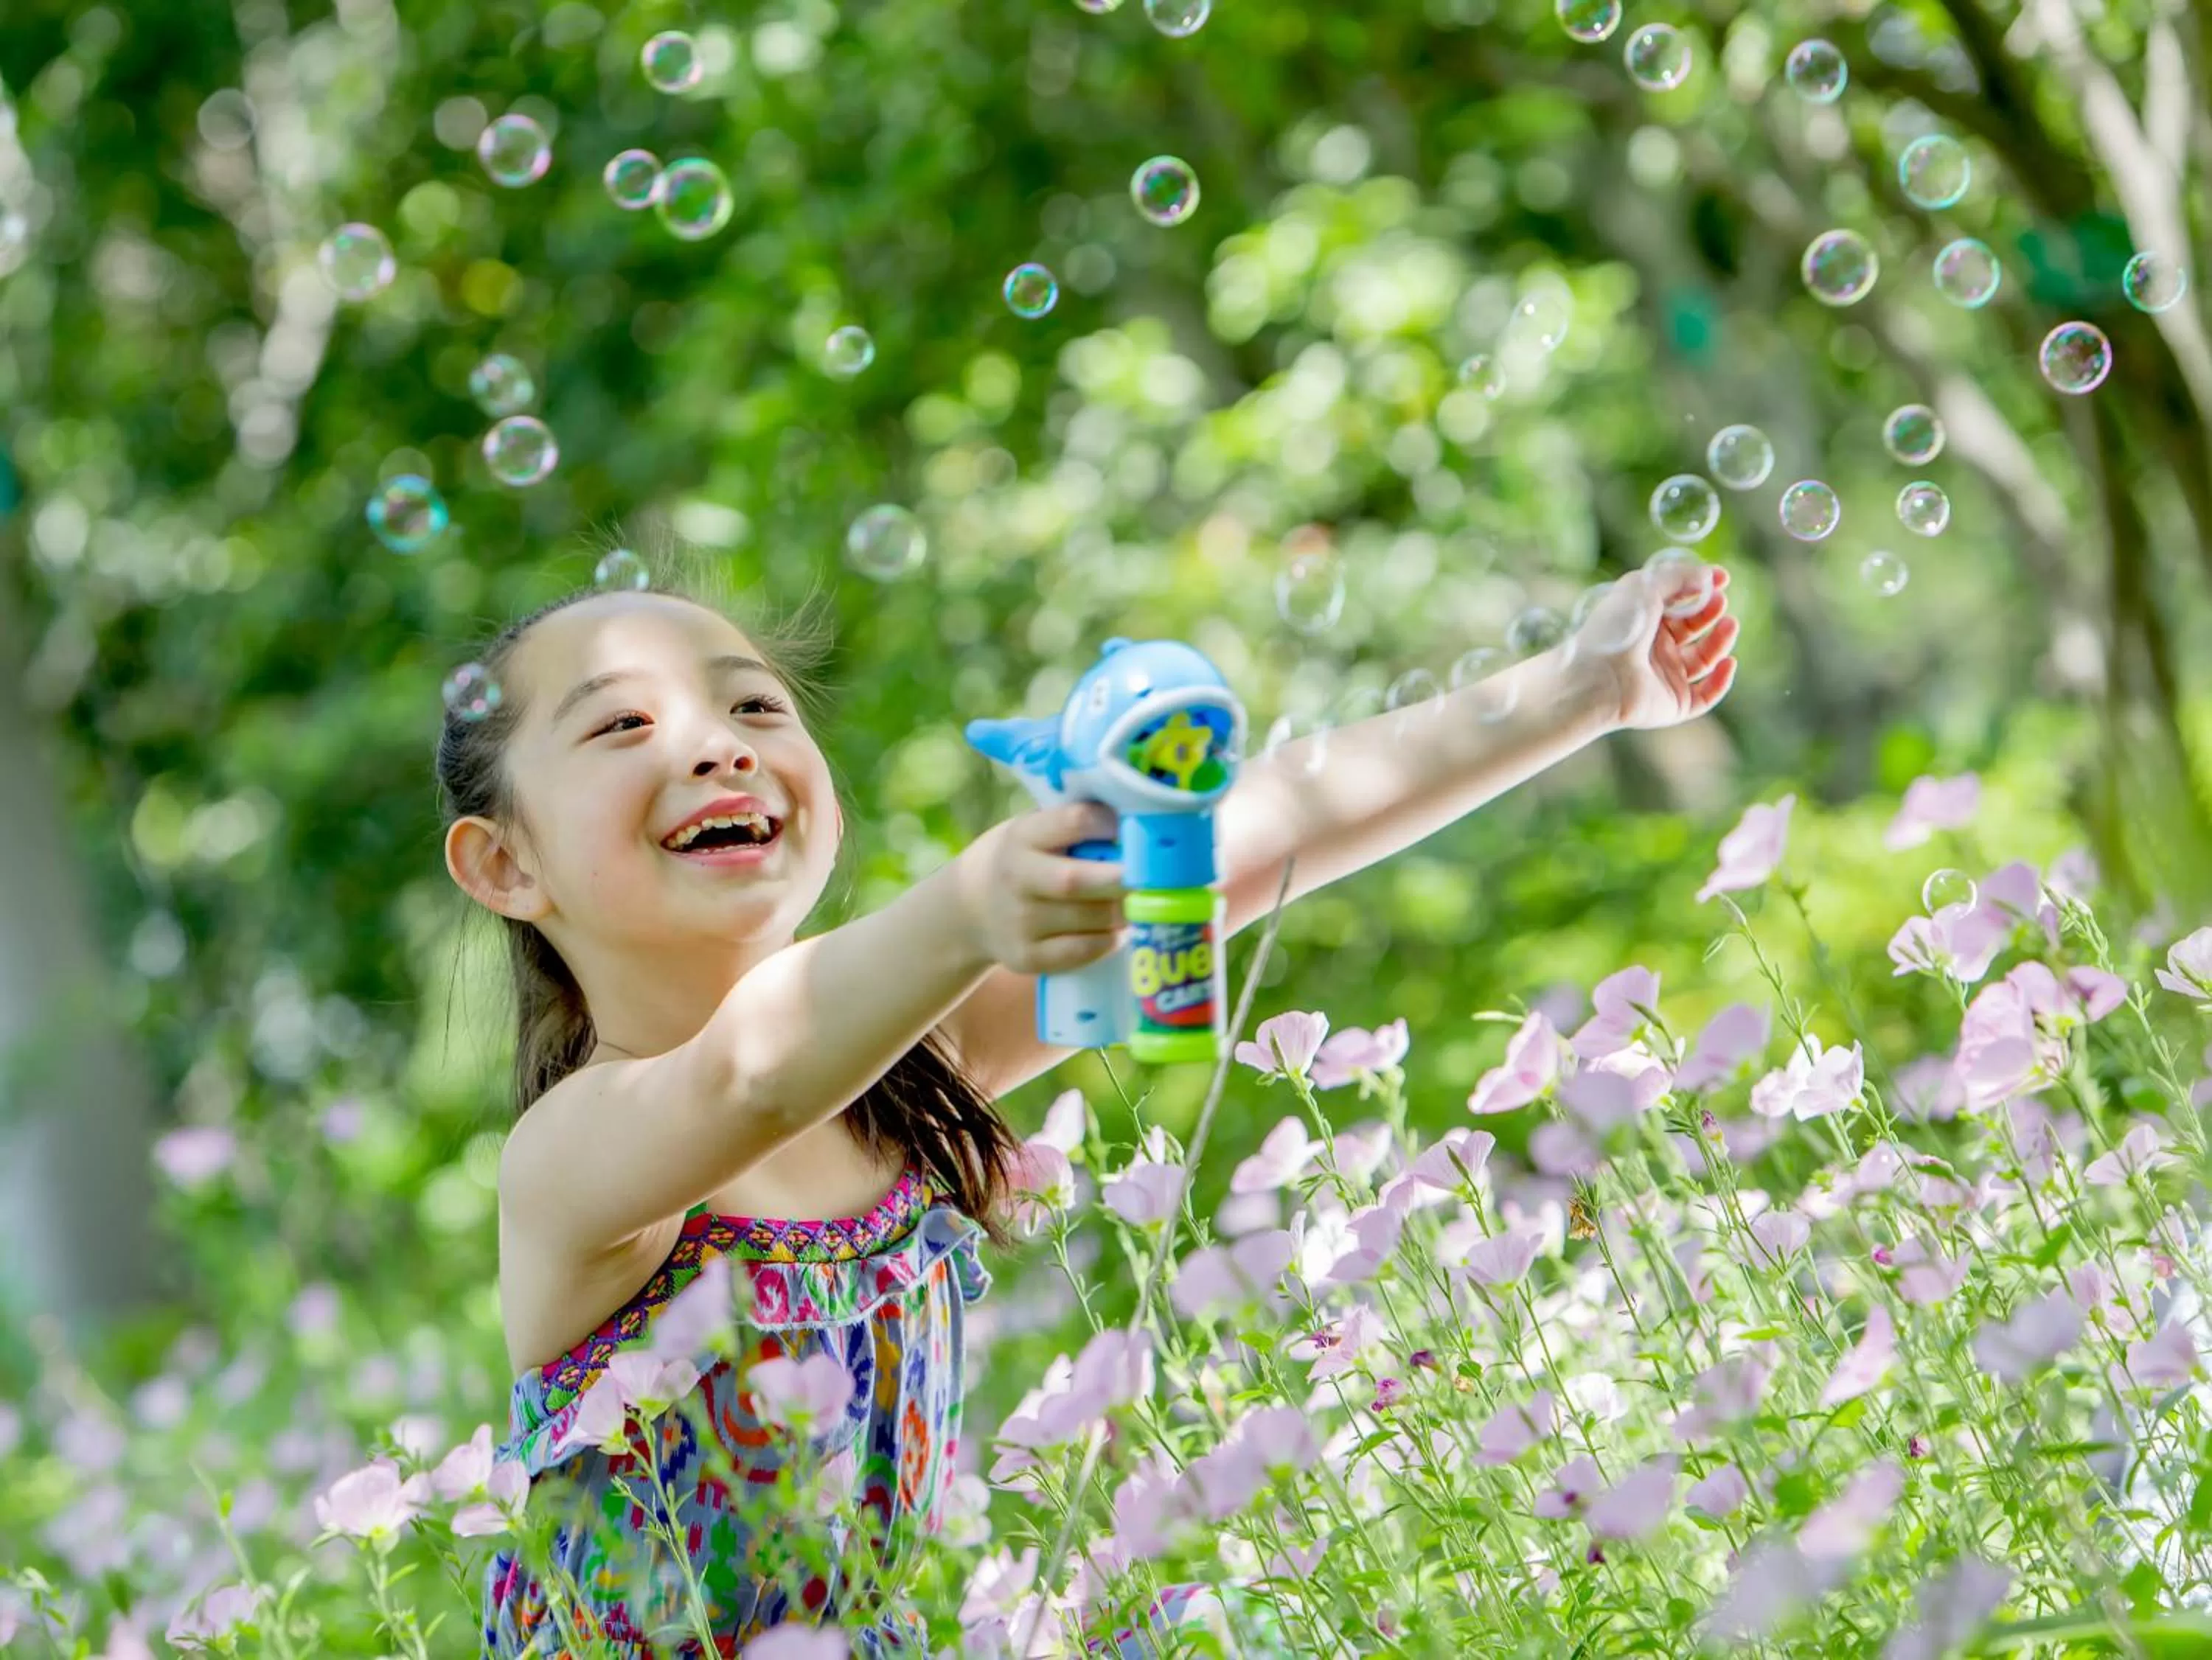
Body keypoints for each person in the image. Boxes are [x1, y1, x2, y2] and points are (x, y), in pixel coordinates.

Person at [440, 548, 1738, 1657]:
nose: (719, 744)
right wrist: (967, 907)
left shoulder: (918, 1069)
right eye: (623, 726)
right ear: (505, 863)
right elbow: (752, 1075)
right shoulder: (575, 1160)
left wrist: (1580, 689)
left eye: (757, 708)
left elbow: (1251, 841)